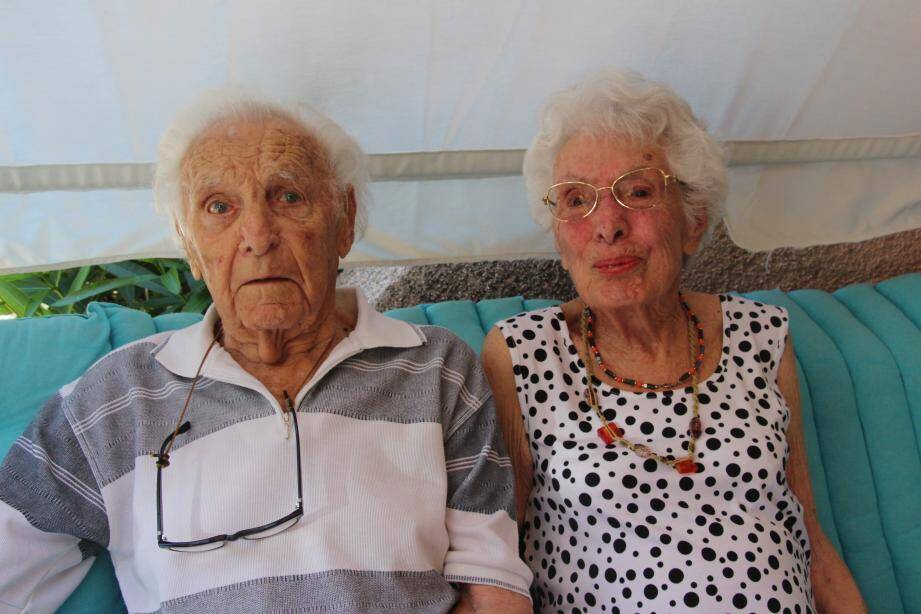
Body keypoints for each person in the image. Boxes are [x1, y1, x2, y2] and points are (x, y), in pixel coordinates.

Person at [0, 90, 532, 613]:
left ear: (343, 219)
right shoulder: (117, 397)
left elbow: (494, 591)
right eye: (219, 207)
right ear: (190, 244)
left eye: (289, 196)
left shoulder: (437, 367)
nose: (257, 235)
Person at [481, 70, 866, 613]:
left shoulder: (762, 335)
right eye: (575, 200)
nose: (606, 224)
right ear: (558, 232)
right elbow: (494, 562)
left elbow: (807, 532)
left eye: (637, 192)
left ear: (692, 222)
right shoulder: (522, 353)